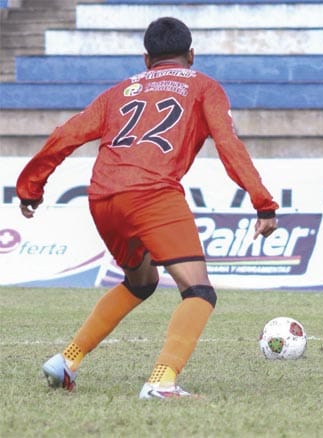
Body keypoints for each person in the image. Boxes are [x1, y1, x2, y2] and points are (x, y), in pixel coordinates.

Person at [16, 17, 280, 399]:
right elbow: (229, 146)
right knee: (199, 292)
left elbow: (65, 135)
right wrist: (263, 203)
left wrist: (30, 188)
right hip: (153, 193)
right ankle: (162, 380)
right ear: (191, 54)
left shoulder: (119, 91)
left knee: (141, 282)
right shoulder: (204, 86)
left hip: (103, 197)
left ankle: (67, 361)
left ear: (146, 59)